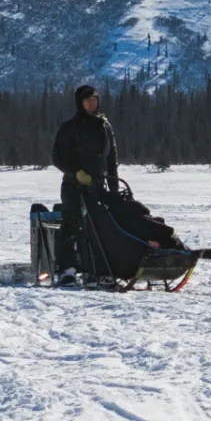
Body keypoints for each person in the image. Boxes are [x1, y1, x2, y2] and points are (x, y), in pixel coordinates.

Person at [51, 84, 119, 279]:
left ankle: (95, 268)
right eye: (88, 99)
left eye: (95, 98)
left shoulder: (104, 125)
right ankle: (67, 269)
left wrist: (113, 187)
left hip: (98, 184)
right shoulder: (70, 127)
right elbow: (58, 156)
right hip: (74, 185)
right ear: (80, 103)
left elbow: (111, 158)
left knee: (98, 226)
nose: (92, 102)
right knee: (71, 224)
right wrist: (76, 172)